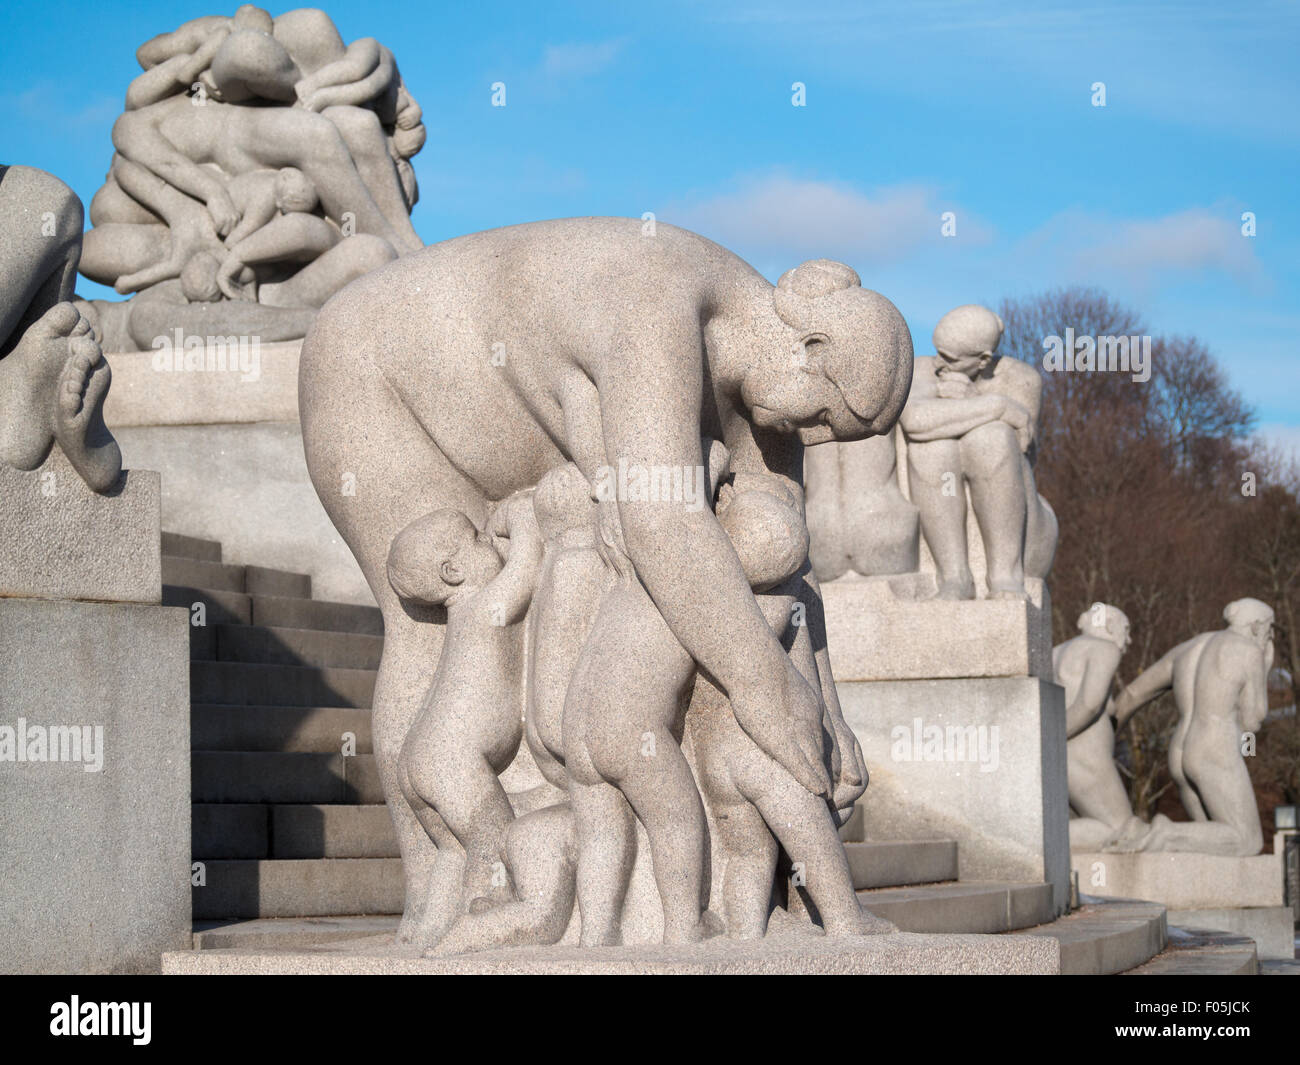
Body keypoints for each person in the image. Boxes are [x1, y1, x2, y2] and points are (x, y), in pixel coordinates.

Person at [298, 221, 912, 940]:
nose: (814, 439)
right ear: (811, 349)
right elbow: (663, 521)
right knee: (433, 628)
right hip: (381, 366)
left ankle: (671, 910)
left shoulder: (764, 375)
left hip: (509, 400)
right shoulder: (658, 298)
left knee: (712, 586)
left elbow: (786, 570)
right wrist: (768, 690)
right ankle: (439, 895)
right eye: (825, 419)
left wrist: (827, 713)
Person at [386, 493, 542, 945]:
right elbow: (527, 570)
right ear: (453, 571)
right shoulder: (486, 607)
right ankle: (484, 921)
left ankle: (428, 934)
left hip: (419, 758)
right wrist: (523, 519)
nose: (487, 539)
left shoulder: (463, 617)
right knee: (491, 837)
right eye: (476, 537)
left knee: (454, 851)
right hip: (452, 757)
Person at [899, 304, 1057, 599]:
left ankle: (1004, 576)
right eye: (938, 351)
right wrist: (997, 406)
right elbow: (915, 421)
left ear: (983, 359)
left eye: (950, 358)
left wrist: (971, 401)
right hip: (934, 488)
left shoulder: (1020, 379)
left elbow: (1023, 450)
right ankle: (954, 577)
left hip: (1025, 528)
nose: (938, 363)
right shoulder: (924, 369)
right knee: (931, 448)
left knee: (992, 438)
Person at [1110, 598, 1274, 856]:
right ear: (1256, 627)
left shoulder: (1188, 648)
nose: (1270, 636)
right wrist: (1264, 668)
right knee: (1248, 841)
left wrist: (1106, 737)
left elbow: (1132, 694)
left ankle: (1160, 837)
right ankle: (1165, 831)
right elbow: (1253, 721)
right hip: (1214, 748)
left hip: (1179, 751)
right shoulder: (1249, 650)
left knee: (1213, 849)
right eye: (1269, 628)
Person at [1053, 604, 1144, 850]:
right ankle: (1032, 845)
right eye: (1125, 629)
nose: (1129, 639)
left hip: (1063, 760)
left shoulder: (1055, 652)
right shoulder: (1104, 649)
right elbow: (1089, 705)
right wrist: (1051, 739)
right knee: (1123, 831)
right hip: (1086, 757)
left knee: (1091, 824)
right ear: (1110, 625)